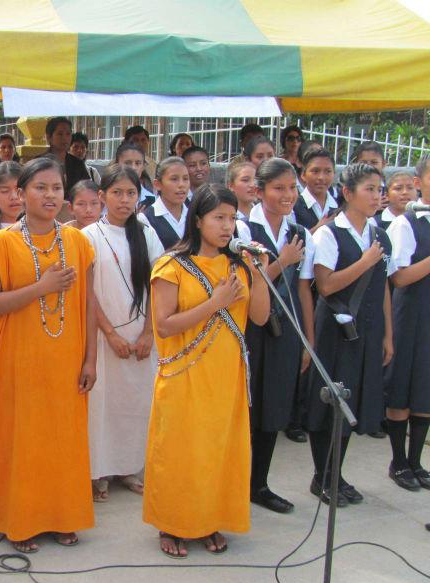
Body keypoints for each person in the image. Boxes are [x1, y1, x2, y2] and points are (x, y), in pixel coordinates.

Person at [0, 156, 97, 553]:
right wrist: (40, 288)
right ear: (20, 194)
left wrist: (90, 359)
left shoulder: (78, 242)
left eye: (56, 188)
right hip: (19, 361)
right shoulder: (0, 244)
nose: (49, 195)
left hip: (65, 360)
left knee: (62, 441)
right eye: (40, 188)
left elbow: (88, 305)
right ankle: (21, 521)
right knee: (23, 441)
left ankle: (62, 516)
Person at [145, 184, 270, 558]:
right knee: (182, 450)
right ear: (197, 220)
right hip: (184, 373)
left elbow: (261, 317)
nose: (227, 226)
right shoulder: (171, 266)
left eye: (232, 218)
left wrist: (259, 272)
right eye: (219, 218)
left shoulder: (238, 265)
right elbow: (164, 325)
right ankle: (174, 523)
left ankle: (210, 519)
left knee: (218, 450)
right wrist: (216, 303)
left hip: (225, 374)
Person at [304, 163, 395, 507]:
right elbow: (325, 285)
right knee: (330, 403)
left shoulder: (379, 233)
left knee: (353, 402)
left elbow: (383, 285)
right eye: (369, 189)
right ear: (347, 193)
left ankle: (336, 473)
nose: (376, 196)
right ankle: (321, 476)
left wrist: (388, 334)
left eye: (378, 189)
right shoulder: (329, 233)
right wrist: (366, 260)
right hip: (336, 329)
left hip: (368, 330)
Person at [236, 158, 316, 514]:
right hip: (250, 328)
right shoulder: (241, 228)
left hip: (285, 329)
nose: (287, 195)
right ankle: (235, 481)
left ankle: (260, 483)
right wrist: (281, 260)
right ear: (259, 191)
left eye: (292, 188)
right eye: (278, 188)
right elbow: (244, 283)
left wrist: (306, 340)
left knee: (273, 408)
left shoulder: (299, 231)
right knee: (246, 407)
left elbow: (304, 290)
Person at [83, 165, 164, 502]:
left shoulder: (146, 233)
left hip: (142, 336)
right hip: (104, 338)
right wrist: (110, 334)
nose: (124, 200)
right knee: (103, 405)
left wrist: (148, 333)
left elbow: (158, 287)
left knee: (137, 402)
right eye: (117, 193)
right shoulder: (88, 237)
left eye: (131, 193)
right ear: (102, 197)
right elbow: (88, 294)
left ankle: (130, 467)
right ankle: (99, 471)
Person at [384, 159, 430, 491]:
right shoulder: (407, 223)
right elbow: (399, 277)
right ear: (419, 182)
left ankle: (417, 461)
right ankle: (399, 461)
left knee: (425, 390)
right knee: (402, 387)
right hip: (411, 313)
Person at [143, 157, 190, 249]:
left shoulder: (195, 216)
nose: (181, 184)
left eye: (185, 179)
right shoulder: (146, 219)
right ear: (157, 184)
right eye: (174, 179)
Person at [293, 147, 339, 234]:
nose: (321, 177)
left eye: (328, 171)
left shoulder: (339, 206)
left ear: (334, 174)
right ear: (303, 175)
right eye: (315, 171)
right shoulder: (293, 206)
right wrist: (318, 228)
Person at [45, 116, 90, 197]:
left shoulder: (78, 164)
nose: (64, 138)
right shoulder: (39, 162)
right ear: (49, 137)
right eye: (60, 134)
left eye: (68, 134)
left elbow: (87, 188)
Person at [116, 142, 155, 206]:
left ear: (143, 166)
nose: (133, 168)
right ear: (117, 165)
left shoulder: (151, 199)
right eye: (127, 163)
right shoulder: (107, 196)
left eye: (137, 163)